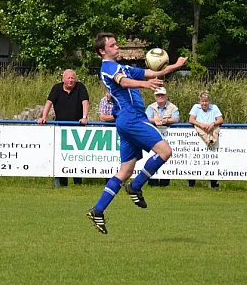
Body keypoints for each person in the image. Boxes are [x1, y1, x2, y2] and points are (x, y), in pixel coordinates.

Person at [86, 33, 187, 234]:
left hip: (127, 120)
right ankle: (136, 186)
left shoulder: (122, 67)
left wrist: (175, 65)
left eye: (116, 44)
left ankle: (98, 209)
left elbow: (149, 73)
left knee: (125, 171)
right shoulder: (108, 68)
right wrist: (144, 84)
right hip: (132, 118)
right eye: (113, 45)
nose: (117, 48)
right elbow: (123, 82)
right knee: (165, 152)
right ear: (102, 51)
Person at [37, 69, 89, 187]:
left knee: (76, 156)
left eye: (73, 78)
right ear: (63, 79)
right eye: (68, 78)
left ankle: (78, 182)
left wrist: (84, 117)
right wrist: (43, 117)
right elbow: (49, 103)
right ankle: (62, 183)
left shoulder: (80, 87)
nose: (71, 80)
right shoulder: (56, 88)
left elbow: (85, 102)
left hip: (77, 127)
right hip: (60, 127)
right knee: (60, 155)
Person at [188, 91, 224, 189]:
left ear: (209, 101)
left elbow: (220, 120)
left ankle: (213, 184)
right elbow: (191, 119)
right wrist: (201, 125)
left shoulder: (214, 107)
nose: (204, 103)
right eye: (202, 101)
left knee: (213, 160)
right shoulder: (196, 107)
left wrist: (213, 123)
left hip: (211, 132)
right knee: (195, 160)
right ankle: (191, 183)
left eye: (206, 101)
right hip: (198, 135)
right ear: (200, 101)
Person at [145, 87, 180, 187]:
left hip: (168, 136)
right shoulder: (151, 107)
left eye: (162, 95)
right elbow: (146, 118)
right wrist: (155, 120)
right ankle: (152, 181)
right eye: (158, 95)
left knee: (166, 156)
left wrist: (166, 121)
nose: (160, 97)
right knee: (153, 158)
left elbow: (176, 119)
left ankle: (165, 182)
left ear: (166, 96)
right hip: (154, 135)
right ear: (155, 96)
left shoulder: (172, 107)